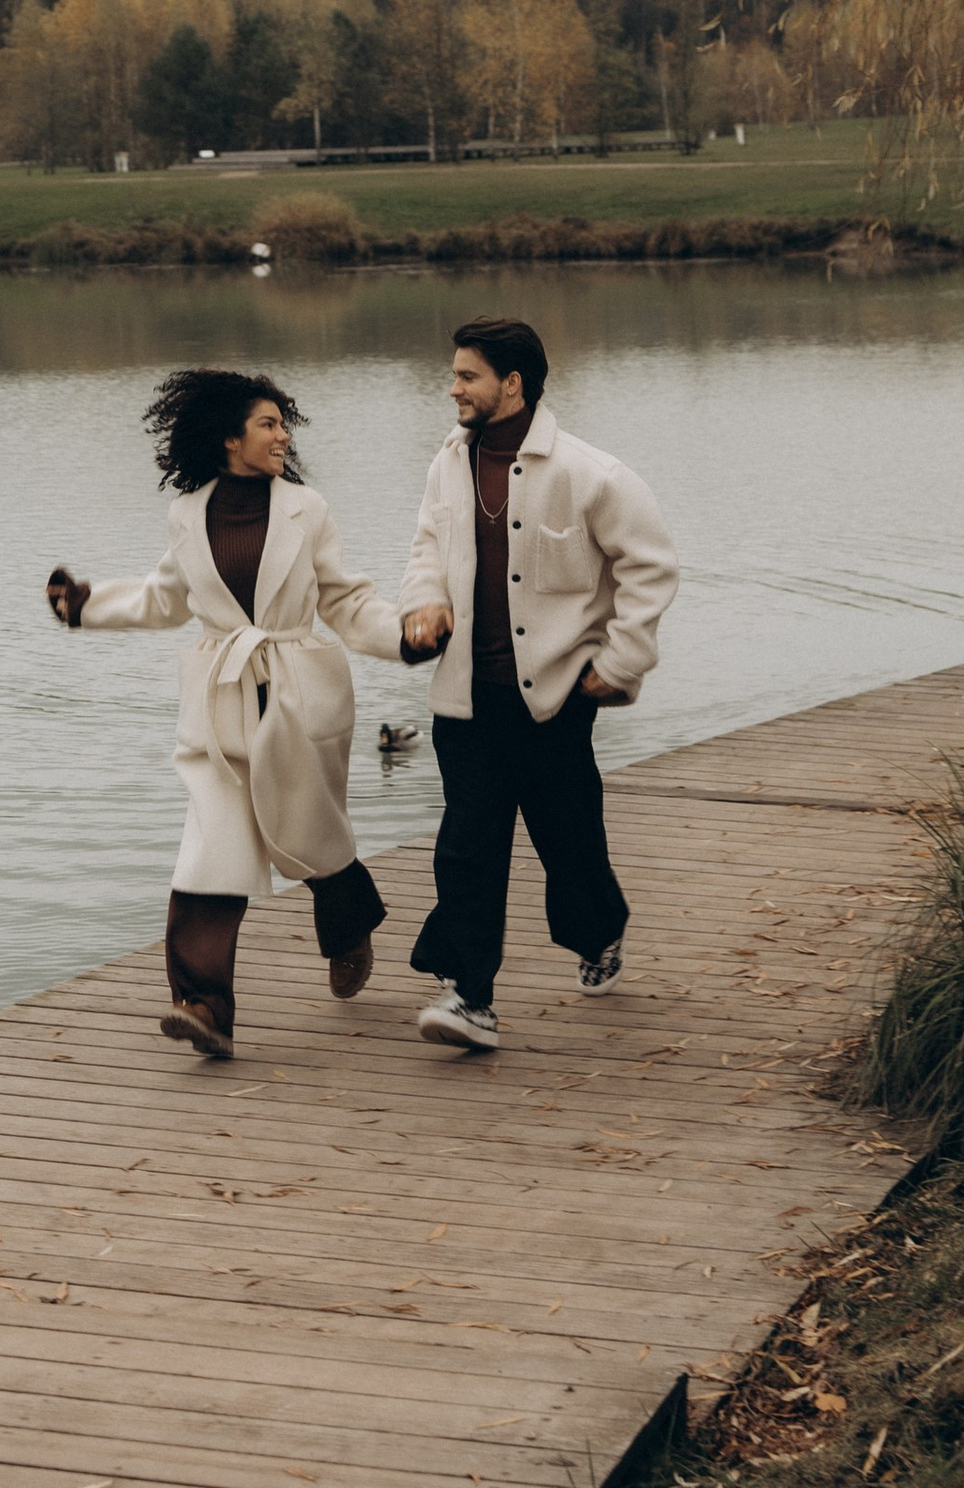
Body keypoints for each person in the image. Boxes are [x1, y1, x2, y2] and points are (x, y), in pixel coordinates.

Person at [46, 366, 409, 1060]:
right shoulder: (187, 514)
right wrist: (87, 605)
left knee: (311, 836)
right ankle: (204, 1005)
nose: (283, 435)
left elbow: (344, 600)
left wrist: (406, 636)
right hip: (219, 701)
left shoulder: (307, 509)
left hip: (298, 691)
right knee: (211, 848)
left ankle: (350, 920)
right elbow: (163, 600)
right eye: (268, 424)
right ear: (229, 439)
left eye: (282, 424)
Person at [396, 315, 677, 1054]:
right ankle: (470, 997)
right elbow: (426, 548)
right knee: (468, 845)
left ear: (512, 384)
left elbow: (650, 568)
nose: (453, 388)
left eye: (467, 376)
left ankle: (599, 932)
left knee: (569, 842)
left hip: (555, 700)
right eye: (455, 374)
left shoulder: (592, 474)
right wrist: (424, 603)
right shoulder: (446, 464)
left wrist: (620, 662)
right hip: (465, 699)